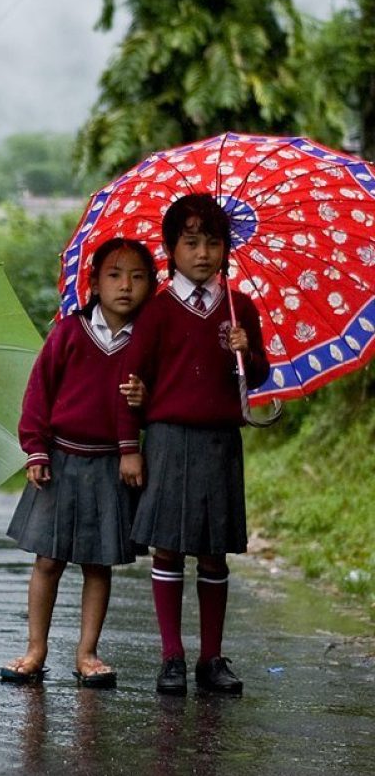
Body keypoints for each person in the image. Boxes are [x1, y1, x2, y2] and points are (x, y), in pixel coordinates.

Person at [118, 193, 269, 696]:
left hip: (221, 441)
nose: (203, 253)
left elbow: (259, 375)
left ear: (226, 248)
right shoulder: (157, 310)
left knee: (213, 551)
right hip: (168, 439)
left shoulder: (239, 308)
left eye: (213, 243)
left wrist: (247, 352)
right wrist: (129, 446)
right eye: (191, 243)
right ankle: (172, 657)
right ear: (170, 251)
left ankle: (211, 657)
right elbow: (131, 379)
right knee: (167, 548)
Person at [1, 238, 157, 688]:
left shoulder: (148, 342)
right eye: (114, 275)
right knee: (48, 560)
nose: (125, 286)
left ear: (151, 286)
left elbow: (162, 403)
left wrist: (145, 400)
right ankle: (36, 648)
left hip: (112, 465)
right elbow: (39, 392)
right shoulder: (69, 332)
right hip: (60, 461)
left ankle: (87, 652)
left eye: (137, 277)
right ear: (93, 283)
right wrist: (36, 448)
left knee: (97, 563)